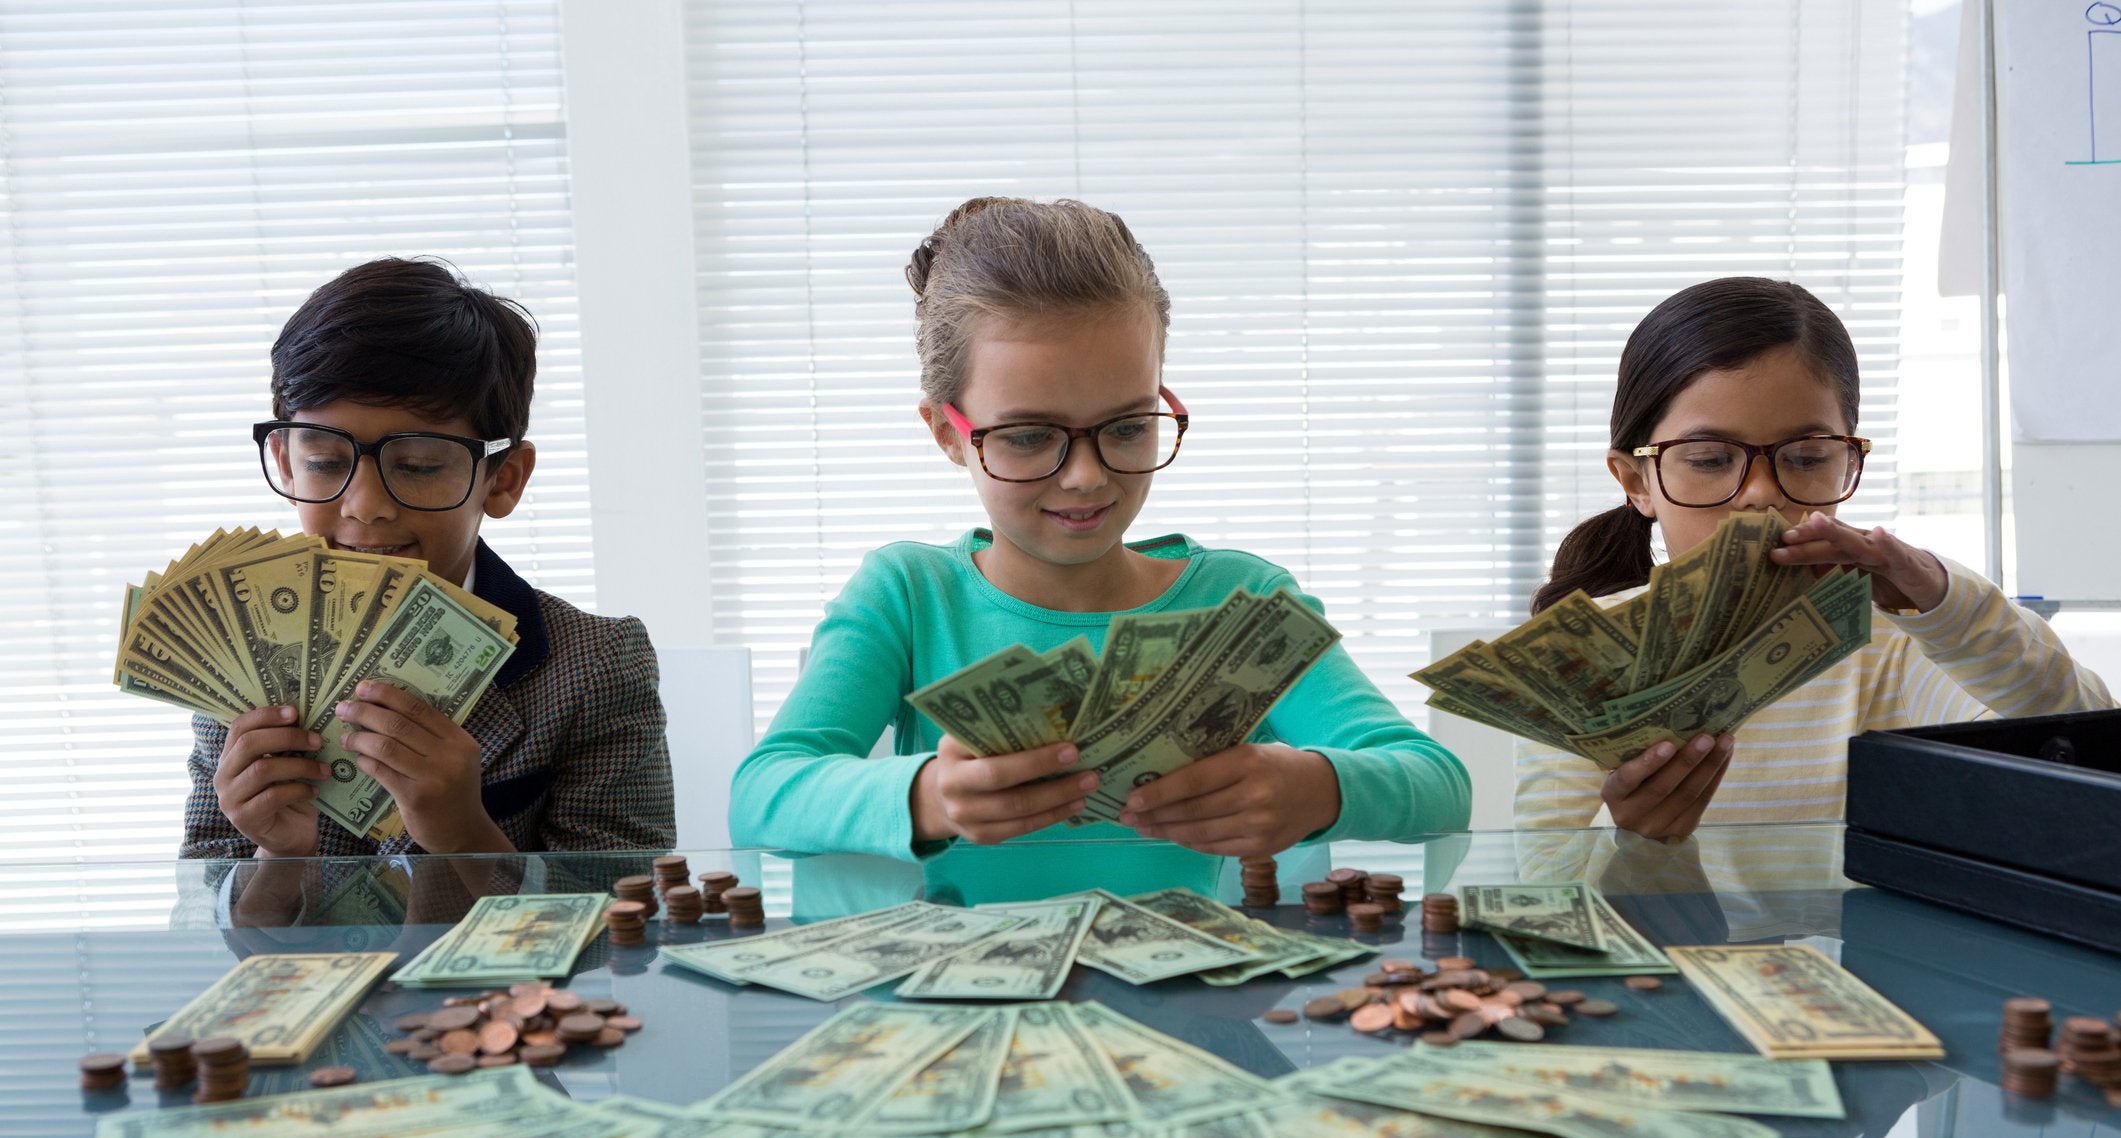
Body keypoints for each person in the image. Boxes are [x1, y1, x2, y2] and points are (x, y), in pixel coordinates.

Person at [729, 197, 1469, 875]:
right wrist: (928, 795)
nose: (1085, 477)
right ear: (946, 433)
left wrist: (1316, 789)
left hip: (1192, 1003)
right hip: (962, 992)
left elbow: (1437, 784)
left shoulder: (1240, 601)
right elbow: (762, 796)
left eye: (1125, 426)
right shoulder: (906, 594)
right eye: (1026, 436)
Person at [1516, 276, 2111, 843]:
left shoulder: (1903, 642)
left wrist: (1937, 595)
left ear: (1847, 458)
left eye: (1805, 457)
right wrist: (1629, 842)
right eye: (1708, 459)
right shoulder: (1576, 660)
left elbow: (2086, 745)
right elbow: (1548, 897)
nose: (1759, 492)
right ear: (1636, 481)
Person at [182, 258, 675, 860]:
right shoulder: (235, 658)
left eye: (416, 466)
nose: (364, 508)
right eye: (326, 462)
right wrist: (280, 858)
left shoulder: (594, 667)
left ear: (505, 479)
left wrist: (462, 834)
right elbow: (201, 917)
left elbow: (626, 921)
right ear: (285, 460)